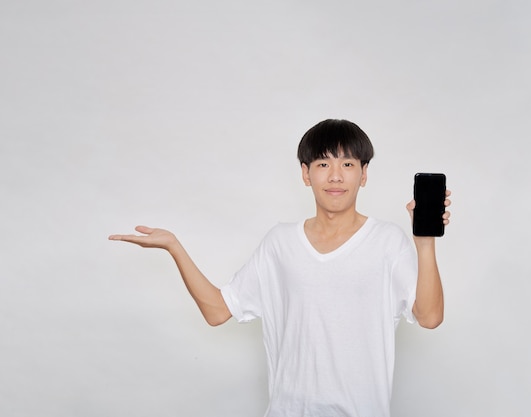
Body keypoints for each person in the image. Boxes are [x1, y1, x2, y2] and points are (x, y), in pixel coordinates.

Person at [109, 119, 451, 417]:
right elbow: (218, 311)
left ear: (364, 174)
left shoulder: (387, 241)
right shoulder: (279, 242)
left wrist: (424, 241)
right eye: (322, 164)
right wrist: (174, 246)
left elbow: (430, 316)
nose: (335, 176)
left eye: (348, 164)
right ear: (305, 173)